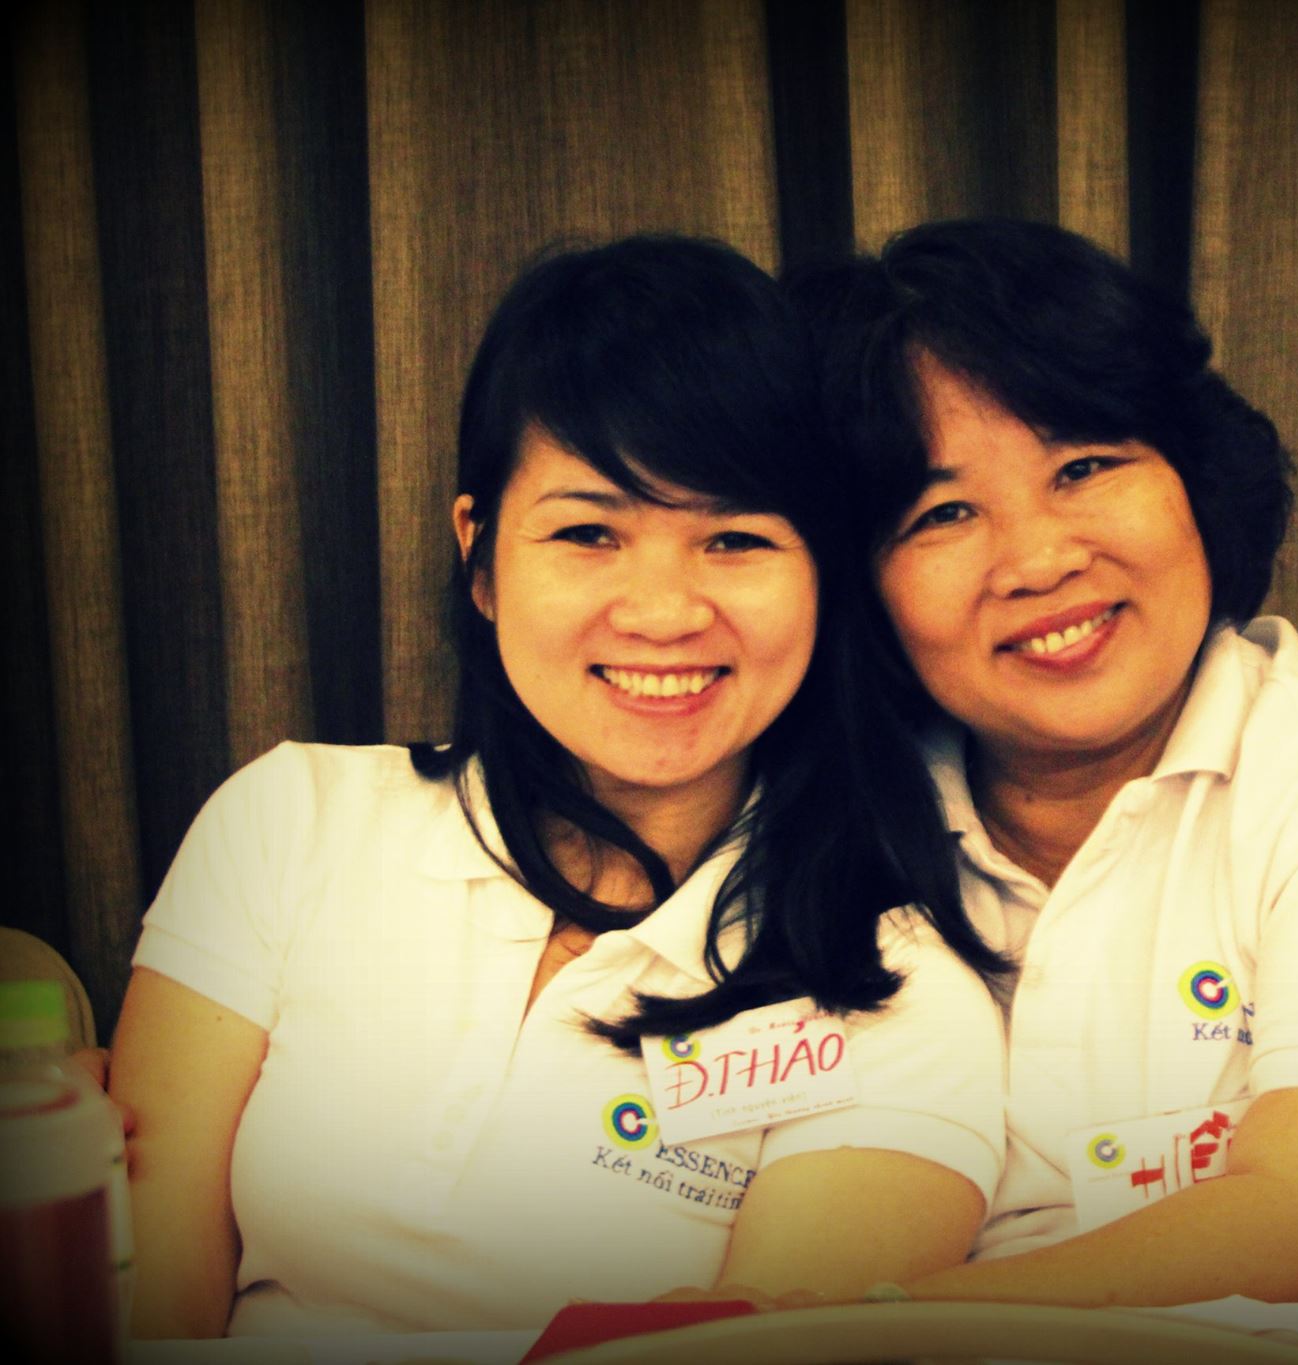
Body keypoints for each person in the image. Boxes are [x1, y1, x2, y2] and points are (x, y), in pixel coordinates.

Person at [106, 235, 1009, 1338]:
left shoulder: (895, 996)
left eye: (735, 539)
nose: (664, 613)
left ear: (823, 578)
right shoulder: (288, 824)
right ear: (481, 557)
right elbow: (144, 1311)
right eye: (588, 533)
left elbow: (758, 1357)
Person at [790, 218, 1298, 1306]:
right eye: (942, 513)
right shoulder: (813, 838)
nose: (1038, 559)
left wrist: (837, 1343)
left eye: (1084, 467)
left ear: (1196, 478)